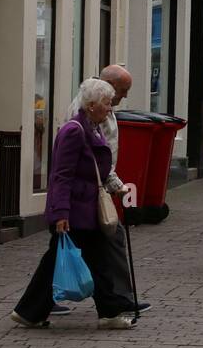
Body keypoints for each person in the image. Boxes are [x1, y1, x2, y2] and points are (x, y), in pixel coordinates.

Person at [11, 78, 140, 329]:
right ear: (91, 105)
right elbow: (61, 175)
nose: (110, 108)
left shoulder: (93, 128)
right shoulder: (74, 131)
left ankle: (29, 312)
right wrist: (61, 214)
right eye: (106, 103)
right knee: (90, 261)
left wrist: (117, 187)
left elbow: (98, 170)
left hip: (85, 209)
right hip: (75, 212)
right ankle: (108, 312)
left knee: (62, 262)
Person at [54, 64, 149, 317]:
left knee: (70, 246)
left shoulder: (100, 104)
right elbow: (90, 159)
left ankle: (38, 303)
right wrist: (115, 185)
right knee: (106, 239)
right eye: (123, 90)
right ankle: (116, 300)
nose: (124, 96)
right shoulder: (85, 114)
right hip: (86, 193)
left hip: (91, 190)